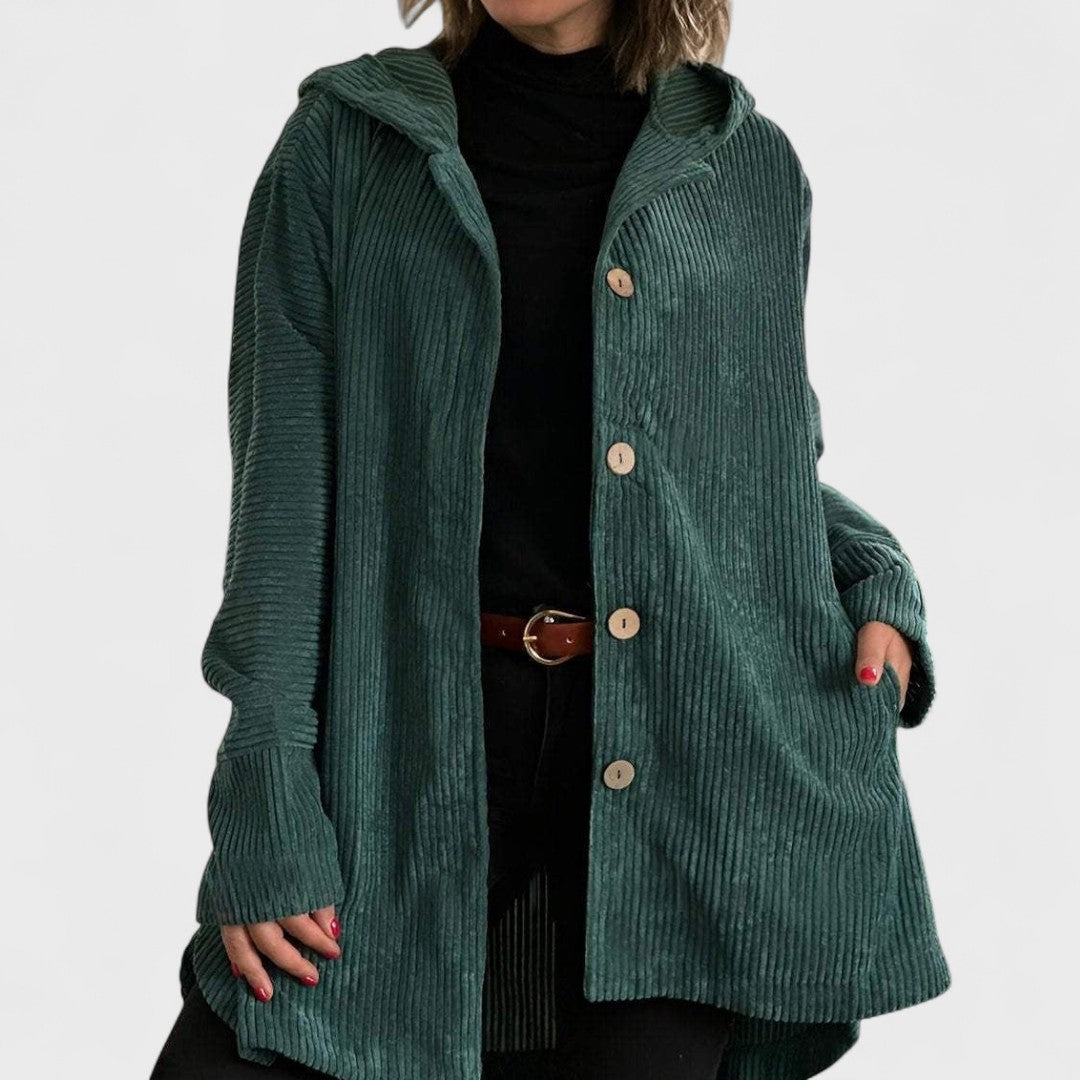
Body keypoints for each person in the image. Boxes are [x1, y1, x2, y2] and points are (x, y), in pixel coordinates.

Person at [150, 2, 951, 1078]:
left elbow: (747, 467)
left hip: (686, 776)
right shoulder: (345, 148)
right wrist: (265, 783)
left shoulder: (747, 167)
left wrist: (871, 570)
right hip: (405, 750)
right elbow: (282, 501)